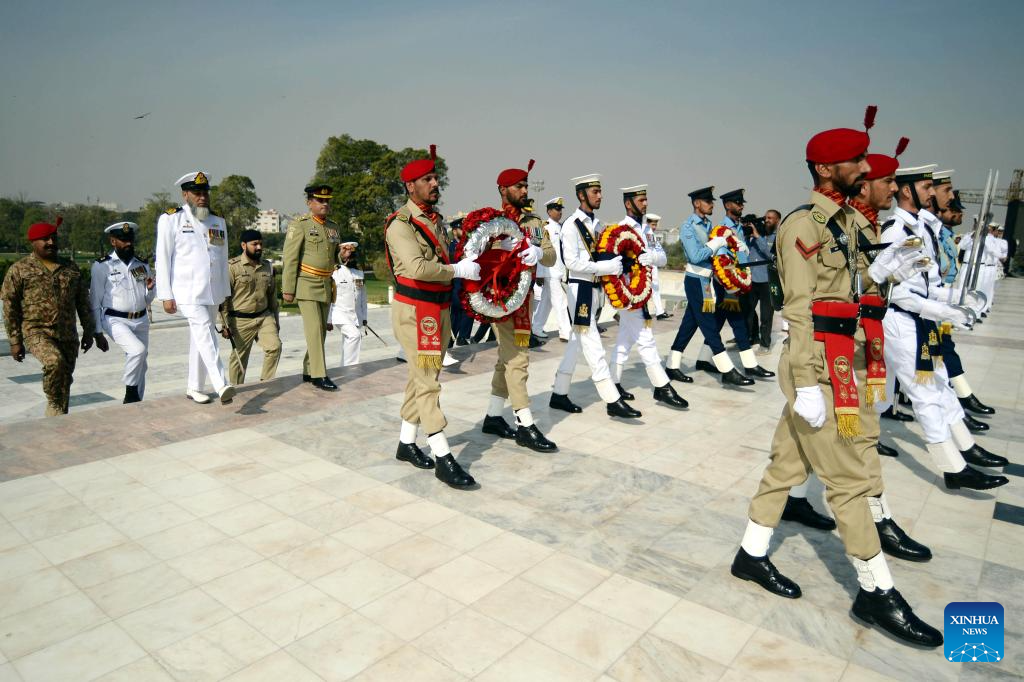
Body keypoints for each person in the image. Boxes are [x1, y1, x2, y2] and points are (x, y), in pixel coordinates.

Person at [732, 108, 944, 648]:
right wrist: (804, 383)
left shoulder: (846, 223)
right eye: (856, 160)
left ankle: (750, 556)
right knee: (848, 481)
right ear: (827, 170)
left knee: (786, 466)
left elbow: (846, 291)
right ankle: (876, 592)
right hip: (819, 364)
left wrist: (883, 270)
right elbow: (799, 309)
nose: (865, 167)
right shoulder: (803, 225)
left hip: (841, 355)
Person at [877, 164, 1008, 490]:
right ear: (908, 191)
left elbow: (927, 284)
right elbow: (900, 293)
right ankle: (954, 466)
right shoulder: (897, 231)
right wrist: (946, 310)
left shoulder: (919, 229)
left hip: (920, 320)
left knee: (936, 384)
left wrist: (959, 301)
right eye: (928, 187)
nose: (936, 194)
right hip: (901, 319)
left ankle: (964, 447)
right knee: (921, 393)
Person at [385, 144, 481, 489]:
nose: (435, 183)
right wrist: (457, 269)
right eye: (427, 179)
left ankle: (406, 442)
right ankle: (443, 456)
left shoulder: (435, 221)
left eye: (436, 178)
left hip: (436, 308)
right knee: (428, 380)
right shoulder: (401, 224)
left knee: (421, 376)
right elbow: (417, 267)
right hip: (416, 311)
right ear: (410, 186)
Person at [480, 161, 559, 451]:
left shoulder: (535, 223)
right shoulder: (490, 222)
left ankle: (492, 416)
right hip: (500, 301)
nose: (525, 190)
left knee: (507, 358)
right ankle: (525, 424)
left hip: (525, 300)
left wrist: (537, 251)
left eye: (526, 185)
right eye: (519, 186)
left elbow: (550, 256)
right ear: (503, 189)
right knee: (518, 360)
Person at [549, 174, 641, 419]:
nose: (600, 196)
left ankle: (558, 394)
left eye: (600, 191)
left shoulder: (599, 225)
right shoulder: (571, 225)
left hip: (596, 288)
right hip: (580, 290)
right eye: (594, 192)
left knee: (576, 343)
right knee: (592, 342)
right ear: (581, 195)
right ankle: (612, 398)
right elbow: (571, 262)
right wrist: (605, 268)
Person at [2, 218, 103, 415]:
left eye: (53, 238)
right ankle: (54, 402)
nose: (51, 242)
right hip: (36, 331)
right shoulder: (19, 270)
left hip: (67, 334)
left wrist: (89, 332)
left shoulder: (70, 268)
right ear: (33, 242)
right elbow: (9, 306)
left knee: (64, 378)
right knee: (54, 363)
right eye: (45, 239)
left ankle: (57, 421)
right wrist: (15, 341)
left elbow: (83, 303)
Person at [921, 172, 996, 422]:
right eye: (951, 204)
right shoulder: (926, 230)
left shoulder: (940, 232)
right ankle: (961, 400)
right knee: (939, 353)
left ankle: (959, 400)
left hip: (942, 299)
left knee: (941, 352)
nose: (957, 212)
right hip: (930, 303)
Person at [156, 171, 235, 404]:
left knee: (200, 339)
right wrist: (165, 295)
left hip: (213, 291)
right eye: (197, 193)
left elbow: (222, 257)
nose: (202, 198)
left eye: (205, 193)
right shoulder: (171, 219)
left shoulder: (217, 221)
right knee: (206, 334)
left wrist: (224, 293)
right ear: (185, 195)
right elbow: (163, 258)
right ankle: (221, 384)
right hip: (187, 291)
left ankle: (194, 386)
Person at [609, 185, 687, 409]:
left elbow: (661, 257)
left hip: (645, 291)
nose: (645, 204)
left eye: (645, 199)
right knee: (646, 338)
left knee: (624, 340)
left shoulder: (647, 231)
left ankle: (613, 382)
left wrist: (648, 256)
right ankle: (662, 387)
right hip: (629, 293)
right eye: (641, 200)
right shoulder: (620, 229)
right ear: (628, 203)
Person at [665, 186, 751, 386]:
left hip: (707, 281)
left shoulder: (708, 224)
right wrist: (714, 245)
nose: (712, 204)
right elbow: (695, 256)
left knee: (690, 324)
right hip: (695, 280)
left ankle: (671, 365)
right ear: (697, 203)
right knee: (709, 325)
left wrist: (735, 248)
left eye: (711, 201)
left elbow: (716, 254)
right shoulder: (688, 226)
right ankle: (726, 369)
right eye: (707, 201)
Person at [282, 183, 342, 391]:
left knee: (320, 332)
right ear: (309, 202)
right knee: (314, 330)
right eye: (320, 200)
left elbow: (333, 256)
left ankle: (309, 368)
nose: (325, 204)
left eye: (327, 201)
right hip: (306, 283)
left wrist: (342, 256)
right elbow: (290, 258)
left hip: (326, 284)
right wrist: (288, 289)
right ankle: (319, 375)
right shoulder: (300, 224)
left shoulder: (333, 226)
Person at [710, 189, 775, 379]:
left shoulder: (738, 228)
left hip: (738, 282)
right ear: (728, 205)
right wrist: (733, 282)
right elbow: (721, 259)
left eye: (741, 202)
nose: (741, 205)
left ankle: (704, 358)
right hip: (727, 283)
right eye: (737, 202)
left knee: (719, 321)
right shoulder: (722, 228)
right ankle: (748, 365)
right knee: (738, 322)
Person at [91, 221, 155, 403]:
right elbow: (95, 302)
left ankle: (136, 402)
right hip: (115, 319)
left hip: (141, 319)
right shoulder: (102, 266)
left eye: (130, 239)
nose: (128, 244)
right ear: (113, 241)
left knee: (142, 363)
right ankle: (131, 393)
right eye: (123, 240)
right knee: (137, 351)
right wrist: (97, 333)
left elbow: (148, 298)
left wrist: (150, 289)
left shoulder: (141, 264)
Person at [220, 229, 281, 385]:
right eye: (255, 244)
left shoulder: (267, 266)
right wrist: (224, 324)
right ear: (243, 245)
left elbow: (272, 296)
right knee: (239, 359)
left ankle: (265, 383)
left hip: (264, 316)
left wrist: (276, 320)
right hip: (240, 320)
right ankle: (237, 389)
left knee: (275, 347)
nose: (259, 247)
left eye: (260, 243)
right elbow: (223, 300)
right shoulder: (232, 267)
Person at [533, 197, 572, 341]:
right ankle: (565, 332)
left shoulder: (561, 227)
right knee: (560, 302)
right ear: (549, 211)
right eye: (556, 209)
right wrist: (540, 273)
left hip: (559, 270)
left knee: (546, 302)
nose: (559, 212)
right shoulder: (545, 227)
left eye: (560, 209)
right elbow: (541, 250)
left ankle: (536, 327)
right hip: (551, 271)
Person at [329, 241, 367, 366]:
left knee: (348, 340)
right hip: (339, 313)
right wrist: (328, 319)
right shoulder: (333, 272)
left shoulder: (359, 273)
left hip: (355, 315)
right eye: (345, 251)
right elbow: (329, 296)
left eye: (350, 251)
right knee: (354, 336)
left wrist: (364, 318)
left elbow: (362, 297)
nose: (348, 253)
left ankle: (343, 367)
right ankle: (351, 368)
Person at [747, 210, 779, 353]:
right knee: (747, 311)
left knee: (766, 315)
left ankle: (765, 345)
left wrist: (758, 237)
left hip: (767, 281)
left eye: (770, 218)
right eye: (765, 217)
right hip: (752, 280)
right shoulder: (755, 235)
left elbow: (771, 256)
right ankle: (752, 337)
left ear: (777, 220)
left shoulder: (778, 237)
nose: (766, 220)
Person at [645, 214, 671, 319]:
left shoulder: (651, 234)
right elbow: (652, 251)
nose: (654, 227)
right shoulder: (647, 233)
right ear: (647, 223)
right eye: (652, 224)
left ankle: (659, 312)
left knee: (654, 288)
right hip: (647, 265)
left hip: (652, 264)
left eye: (655, 224)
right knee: (643, 290)